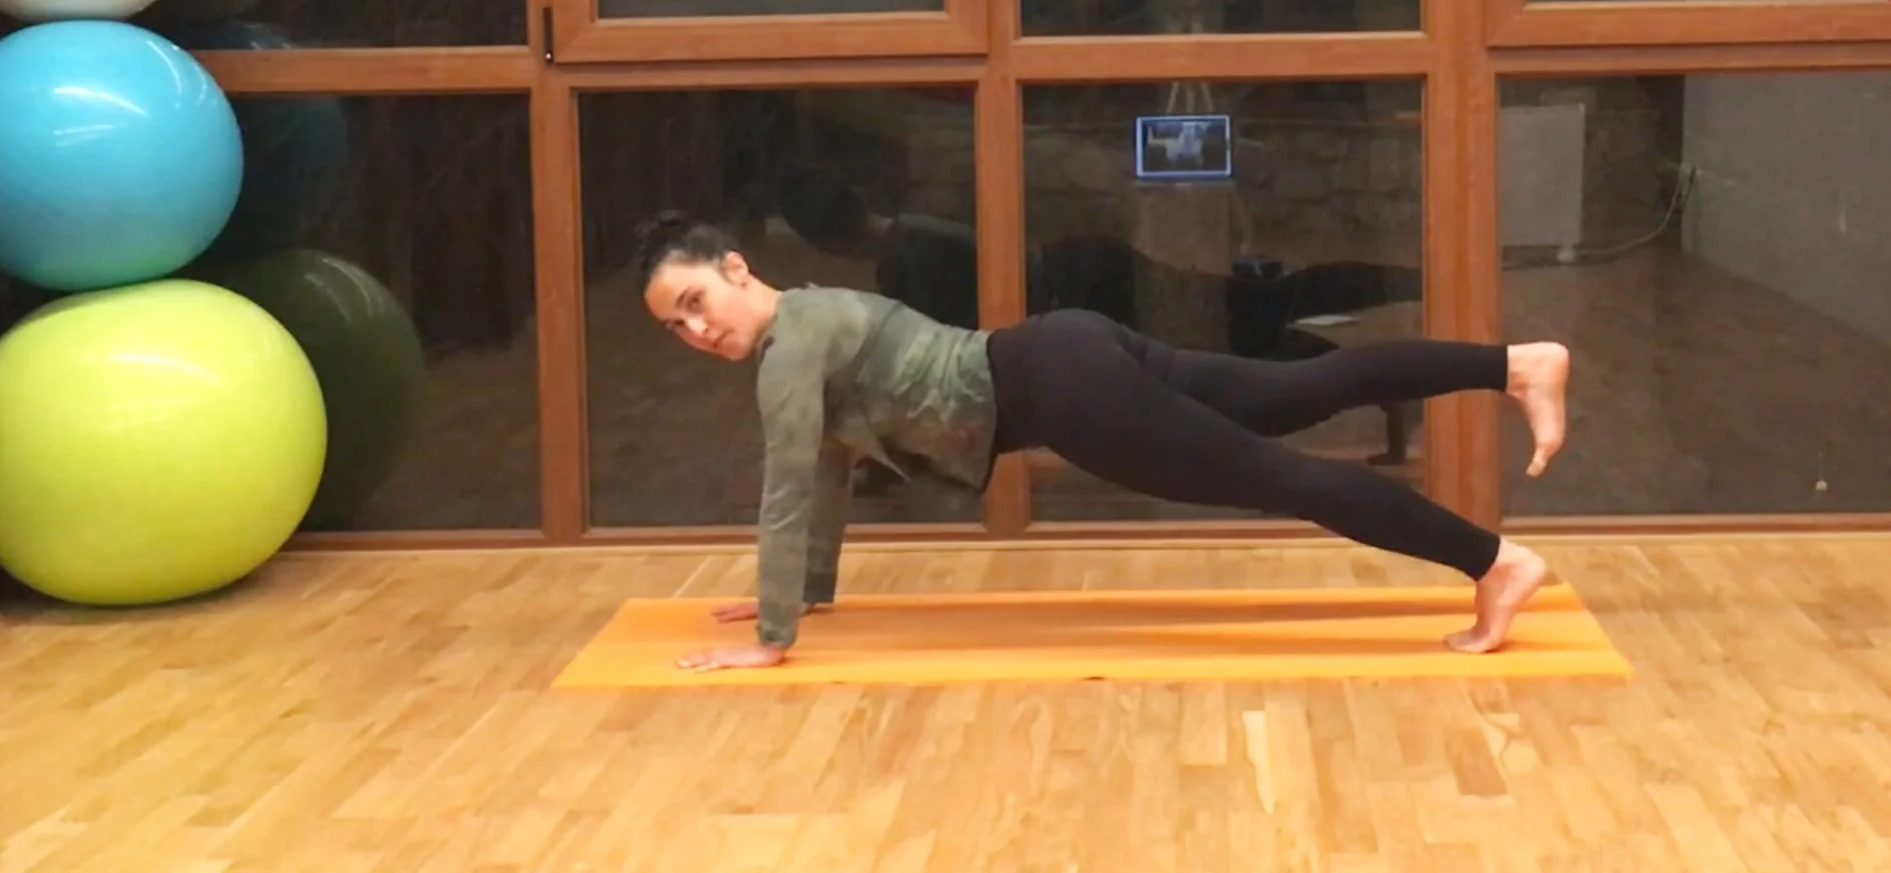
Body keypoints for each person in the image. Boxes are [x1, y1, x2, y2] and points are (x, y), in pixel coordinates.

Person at [633, 212, 1570, 674]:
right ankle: (1515, 364)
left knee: (1280, 474)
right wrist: (804, 593)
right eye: (676, 326)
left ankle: (1492, 561)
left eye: (696, 301)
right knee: (1288, 394)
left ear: (736, 268)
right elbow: (827, 468)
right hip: (1065, 347)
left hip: (1062, 388)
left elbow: (787, 484)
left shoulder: (791, 348)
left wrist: (772, 637)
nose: (696, 330)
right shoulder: (810, 318)